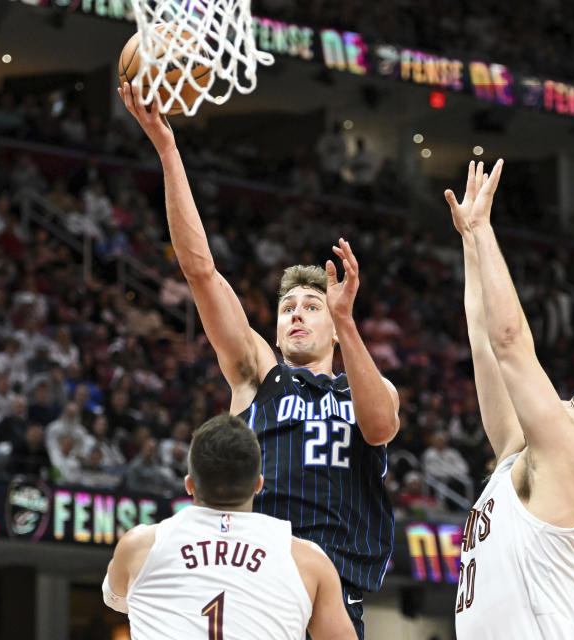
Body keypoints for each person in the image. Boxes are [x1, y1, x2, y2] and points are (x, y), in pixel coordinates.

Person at [119, 80, 399, 637]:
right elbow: (200, 271)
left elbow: (380, 424)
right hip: (260, 583)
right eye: (287, 306)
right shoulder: (257, 376)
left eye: (312, 305)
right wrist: (168, 151)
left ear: (336, 322)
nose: (296, 314)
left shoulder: (366, 388)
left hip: (339, 595)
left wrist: (346, 318)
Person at [445, 161, 574, 639]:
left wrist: (484, 229)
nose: (561, 400)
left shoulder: (571, 469)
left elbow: (511, 340)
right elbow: (485, 343)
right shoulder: (521, 460)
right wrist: (472, 246)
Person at [104, 414, 356, 640]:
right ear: (258, 485)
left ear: (189, 485)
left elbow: (115, 600)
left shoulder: (138, 545)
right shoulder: (308, 559)